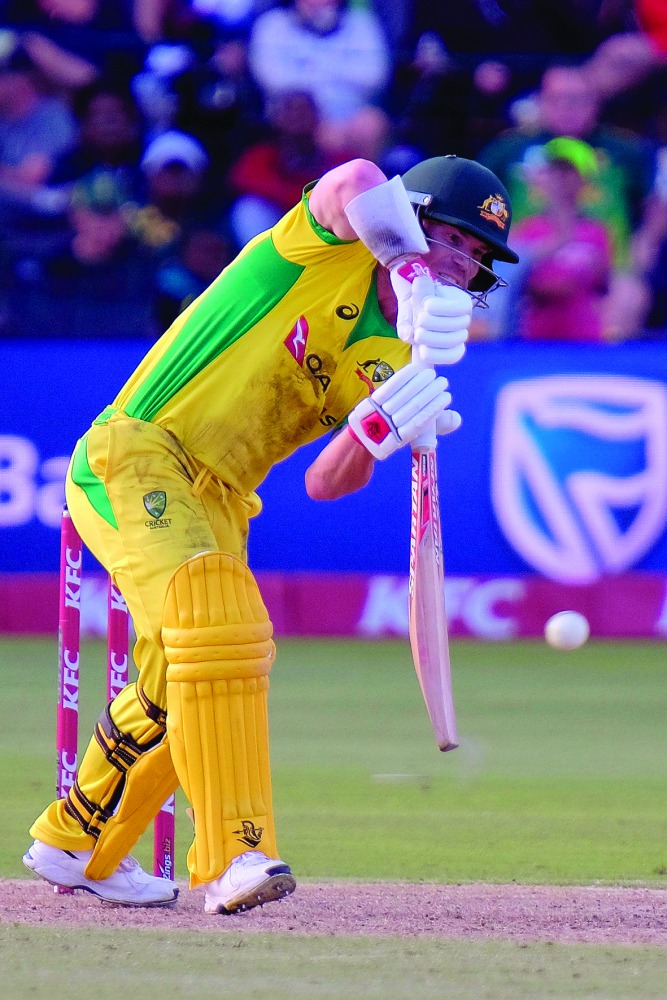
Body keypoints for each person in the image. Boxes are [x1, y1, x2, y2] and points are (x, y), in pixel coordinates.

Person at [23, 153, 518, 912]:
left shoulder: (397, 351)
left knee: (176, 681)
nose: (461, 268)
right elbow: (352, 176)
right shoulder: (332, 243)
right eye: (453, 242)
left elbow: (327, 482)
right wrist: (414, 273)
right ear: (412, 219)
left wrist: (380, 427)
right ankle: (236, 854)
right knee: (220, 628)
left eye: (477, 260)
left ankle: (78, 840)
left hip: (222, 497)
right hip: (138, 450)